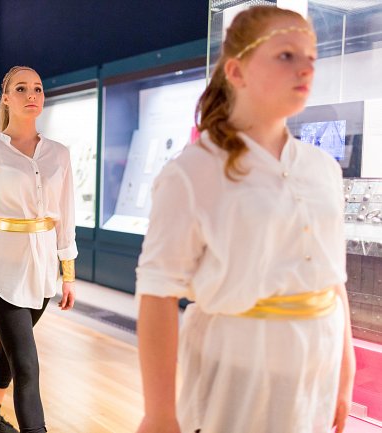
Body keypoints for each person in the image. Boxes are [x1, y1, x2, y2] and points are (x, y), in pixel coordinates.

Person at [135, 6, 354, 433]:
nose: (306, 68)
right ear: (236, 71)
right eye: (286, 55)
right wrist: (160, 412)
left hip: (316, 369)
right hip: (238, 370)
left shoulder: (322, 168)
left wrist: (344, 371)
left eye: (311, 56)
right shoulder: (192, 172)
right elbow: (157, 294)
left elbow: (333, 278)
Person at [0, 66, 77, 433]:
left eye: (37, 88)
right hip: (2, 272)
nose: (31, 95)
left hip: (43, 273)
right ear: (6, 98)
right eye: (21, 88)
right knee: (27, 364)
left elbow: (66, 219)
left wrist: (67, 275)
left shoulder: (60, 154)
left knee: (12, 350)